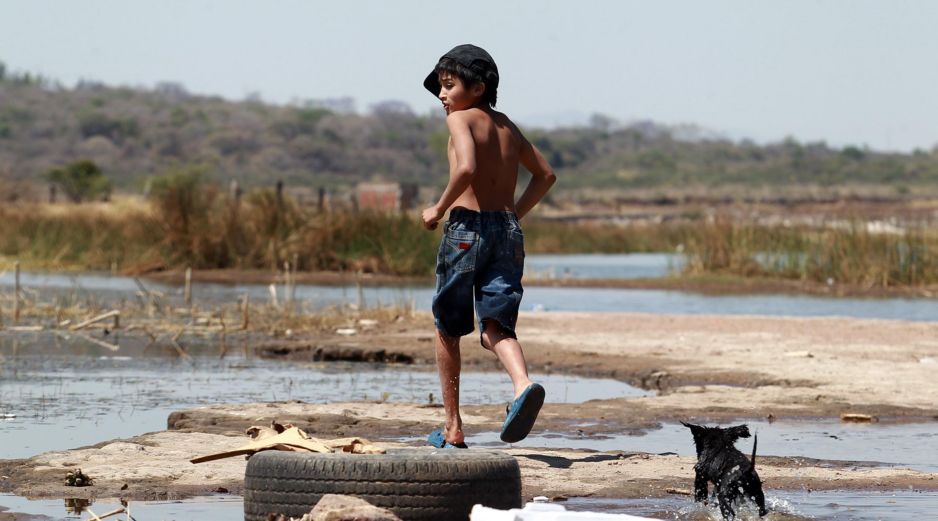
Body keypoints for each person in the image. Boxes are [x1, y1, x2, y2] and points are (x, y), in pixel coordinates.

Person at [420, 44, 556, 448]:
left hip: (465, 231)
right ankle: (522, 385)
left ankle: (453, 427)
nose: (442, 96)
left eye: (448, 86)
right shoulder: (507, 126)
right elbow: (545, 176)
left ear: (477, 87)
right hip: (507, 231)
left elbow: (467, 168)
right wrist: (513, 215)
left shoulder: (460, 120)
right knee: (496, 325)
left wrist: (438, 208)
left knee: (448, 328)